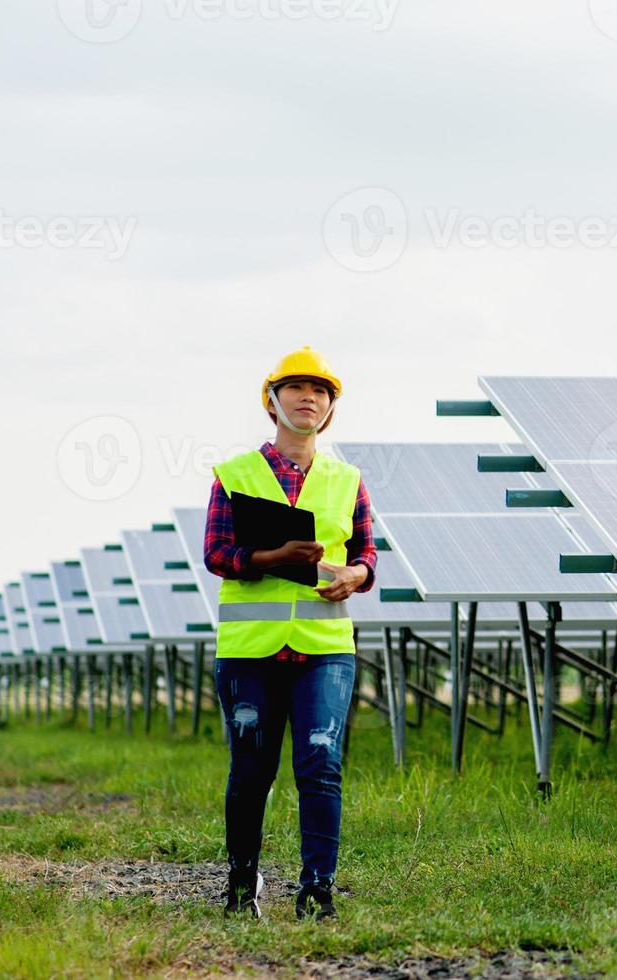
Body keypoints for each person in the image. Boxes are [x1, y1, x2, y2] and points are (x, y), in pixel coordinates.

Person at [203, 346, 377, 921]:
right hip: (250, 652)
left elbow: (366, 554)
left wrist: (357, 574)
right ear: (272, 401)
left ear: (330, 409)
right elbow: (217, 553)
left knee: (320, 763)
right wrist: (273, 555)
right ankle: (240, 883)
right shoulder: (235, 474)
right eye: (298, 388)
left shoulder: (347, 480)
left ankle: (316, 890)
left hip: (324, 650)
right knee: (251, 772)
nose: (311, 398)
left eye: (322, 391)